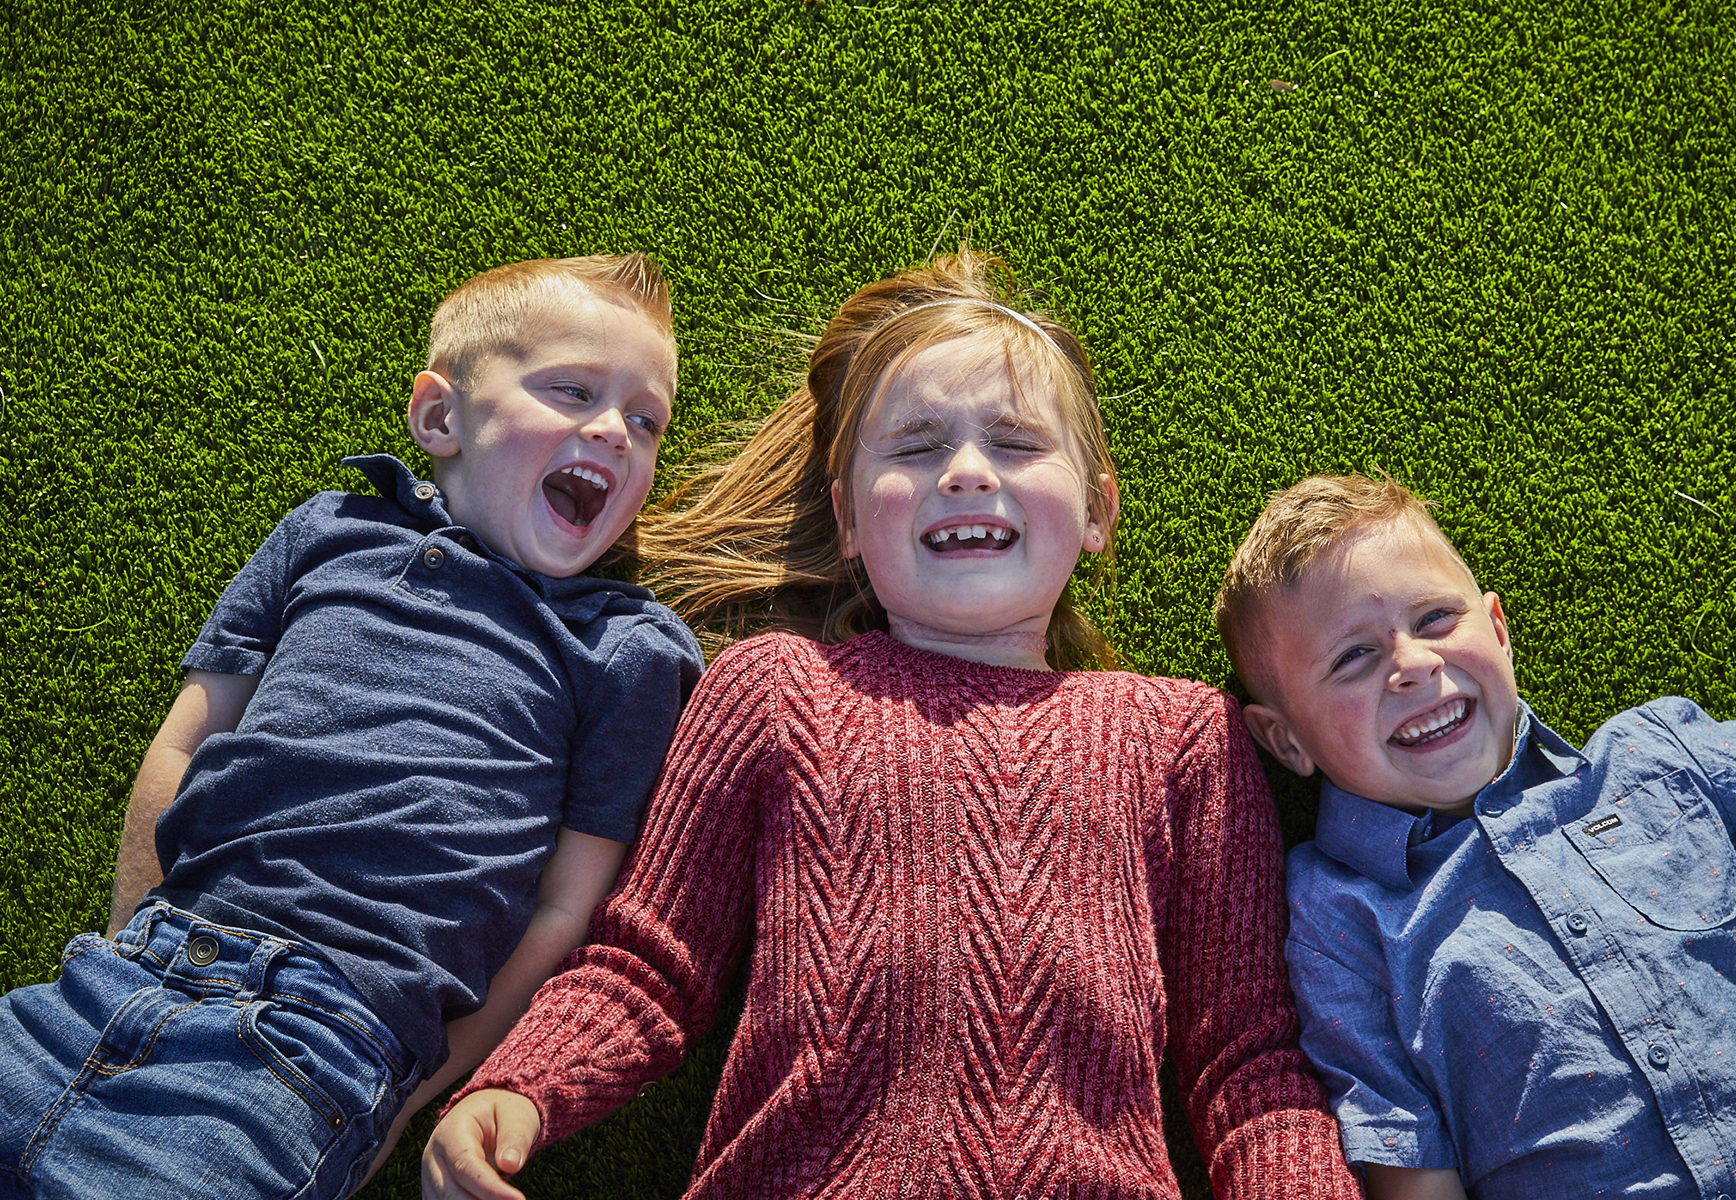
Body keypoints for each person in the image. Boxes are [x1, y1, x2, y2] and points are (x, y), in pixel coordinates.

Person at [422, 251, 1362, 1200]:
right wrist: (519, 1086)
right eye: (914, 448)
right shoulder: (774, 689)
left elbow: (1247, 1065)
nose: (965, 473)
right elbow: (650, 967)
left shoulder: (1183, 738)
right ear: (848, 521)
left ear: (1097, 510)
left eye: (1015, 442)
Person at [0, 252, 704, 1200]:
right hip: (104, 982)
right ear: (440, 418)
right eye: (574, 390)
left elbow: (564, 910)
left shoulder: (626, 649)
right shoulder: (329, 531)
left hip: (311, 1045)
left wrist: (409, 1098)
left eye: (647, 421)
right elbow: (183, 743)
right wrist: (131, 938)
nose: (615, 430)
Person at [1211, 473, 1736, 1200]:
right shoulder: (1338, 919)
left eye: (1435, 618)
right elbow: (1413, 1169)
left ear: (1499, 630)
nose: (1415, 665)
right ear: (1286, 740)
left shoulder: (1651, 762)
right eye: (1352, 657)